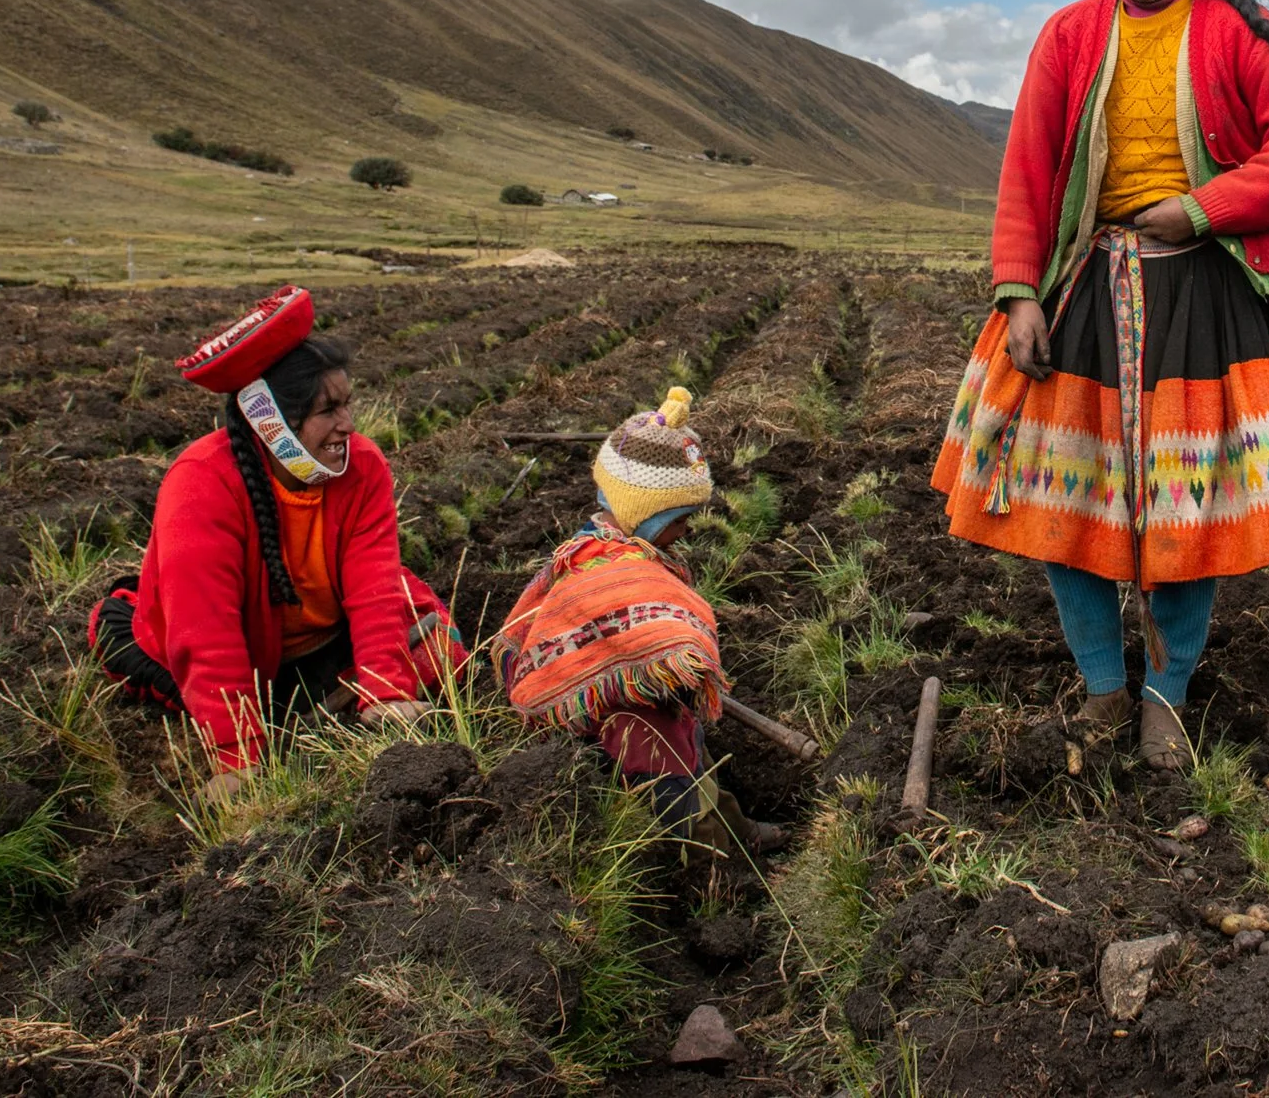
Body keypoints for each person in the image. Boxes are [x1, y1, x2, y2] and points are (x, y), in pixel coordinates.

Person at [934, 0, 1269, 771]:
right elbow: (1028, 175)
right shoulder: (1070, 35)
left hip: (1201, 300)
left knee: (1187, 516)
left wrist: (1203, 208)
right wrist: (1019, 293)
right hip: (1085, 292)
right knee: (1063, 510)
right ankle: (1100, 691)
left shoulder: (1239, 34)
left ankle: (1165, 695)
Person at [88, 287, 466, 795]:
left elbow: (374, 586)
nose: (347, 426)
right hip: (245, 649)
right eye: (327, 411)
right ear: (272, 424)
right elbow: (206, 631)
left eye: (346, 405)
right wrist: (236, 756)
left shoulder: (364, 466)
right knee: (145, 644)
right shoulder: (201, 482)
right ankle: (293, 718)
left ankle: (320, 711)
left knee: (439, 645)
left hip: (320, 640)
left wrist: (386, 695)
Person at [491, 387, 781, 853]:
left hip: (631, 707)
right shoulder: (616, 568)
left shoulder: (602, 546)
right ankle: (715, 857)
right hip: (630, 723)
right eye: (679, 517)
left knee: (690, 751)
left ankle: (729, 828)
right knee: (675, 780)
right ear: (641, 514)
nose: (687, 528)